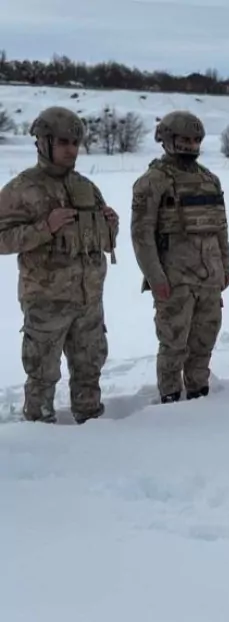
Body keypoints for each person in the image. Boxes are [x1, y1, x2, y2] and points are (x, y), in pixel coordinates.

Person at [0, 107, 119, 424]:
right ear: (43, 142)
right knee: (42, 373)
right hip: (46, 301)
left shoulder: (86, 186)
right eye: (64, 142)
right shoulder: (21, 189)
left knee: (89, 368)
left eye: (76, 143)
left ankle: (92, 424)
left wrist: (109, 226)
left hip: (88, 300)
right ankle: (40, 434)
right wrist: (45, 227)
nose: (71, 150)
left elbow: (102, 242)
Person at [131, 110, 229, 403]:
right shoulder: (152, 182)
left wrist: (226, 266)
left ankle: (199, 392)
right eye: (184, 139)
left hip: (209, 276)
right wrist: (155, 277)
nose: (190, 145)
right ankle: (170, 397)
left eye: (195, 139)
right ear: (166, 139)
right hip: (174, 280)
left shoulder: (209, 180)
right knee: (174, 343)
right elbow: (142, 236)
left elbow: (221, 228)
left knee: (204, 341)